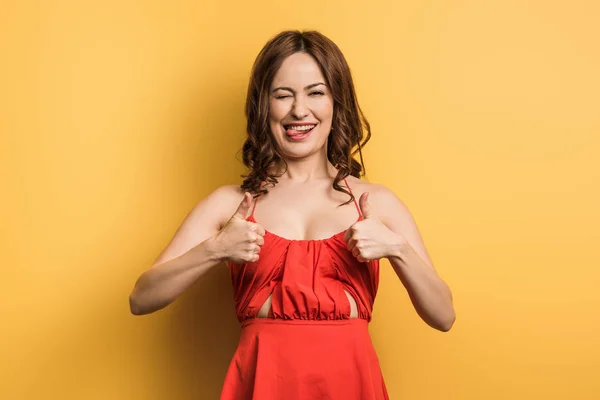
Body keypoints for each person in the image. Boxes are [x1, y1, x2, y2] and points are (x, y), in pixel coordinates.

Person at [129, 30, 455, 399]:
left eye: (316, 93)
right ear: (263, 107)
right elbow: (141, 299)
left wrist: (397, 248)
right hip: (265, 382)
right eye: (283, 95)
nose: (299, 110)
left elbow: (443, 316)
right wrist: (216, 249)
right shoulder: (231, 205)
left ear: (337, 103)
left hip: (351, 383)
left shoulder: (376, 203)